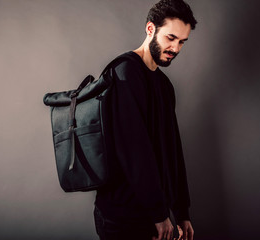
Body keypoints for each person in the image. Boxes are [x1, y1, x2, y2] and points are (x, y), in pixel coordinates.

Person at [94, 0, 197, 240]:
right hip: (122, 215)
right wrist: (159, 213)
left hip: (154, 215)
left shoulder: (164, 85)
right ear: (151, 29)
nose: (176, 48)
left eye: (182, 41)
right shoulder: (124, 73)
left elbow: (172, 151)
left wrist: (182, 210)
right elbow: (133, 150)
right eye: (171, 37)